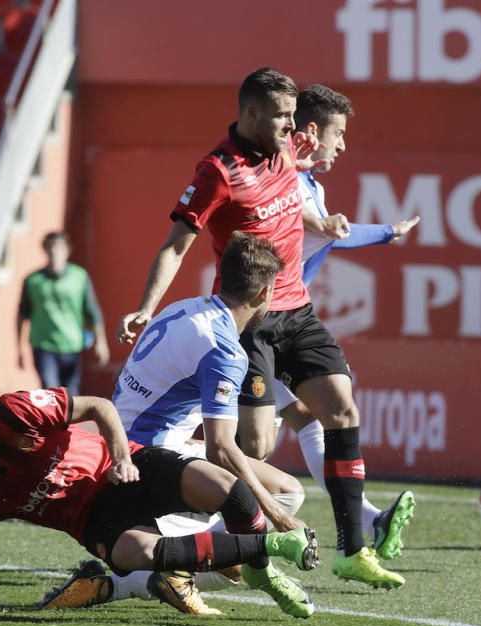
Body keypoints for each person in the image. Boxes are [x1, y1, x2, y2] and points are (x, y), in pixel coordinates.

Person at [116, 67, 403, 589]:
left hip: (298, 310)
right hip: (252, 321)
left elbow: (297, 198)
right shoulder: (218, 171)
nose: (293, 126)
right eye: (282, 116)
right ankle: (196, 534)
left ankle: (352, 547)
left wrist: (328, 222)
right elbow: (175, 245)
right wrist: (145, 306)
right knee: (255, 446)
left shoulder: (287, 150)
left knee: (342, 409)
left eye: (294, 117)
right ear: (251, 114)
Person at [43, 233, 311, 615]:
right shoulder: (225, 350)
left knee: (286, 490)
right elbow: (222, 449)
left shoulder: (181, 308)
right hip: (145, 465)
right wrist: (277, 517)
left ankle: (161, 567)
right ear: (265, 293)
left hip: (123, 446)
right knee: (239, 557)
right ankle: (120, 584)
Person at [0, 385, 319, 620]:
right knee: (139, 553)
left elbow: (99, 406)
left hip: (125, 466)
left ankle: (262, 573)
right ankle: (273, 547)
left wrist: (121, 457)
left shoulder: (14, 412)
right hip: (94, 517)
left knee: (226, 486)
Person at [275, 83, 421, 561]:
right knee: (243, 441)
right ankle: (186, 532)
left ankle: (367, 522)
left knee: (306, 417)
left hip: (279, 324)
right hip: (255, 326)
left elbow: (330, 230)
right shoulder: (284, 180)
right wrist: (382, 231)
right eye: (338, 133)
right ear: (311, 131)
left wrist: (382, 232)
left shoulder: (308, 185)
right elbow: (325, 228)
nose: (343, 144)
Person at [17, 232, 109, 394]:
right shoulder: (33, 280)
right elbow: (22, 314)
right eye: (51, 247)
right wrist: (20, 348)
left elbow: (92, 311)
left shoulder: (80, 277)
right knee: (50, 390)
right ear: (45, 250)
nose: (55, 252)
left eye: (59, 248)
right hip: (43, 345)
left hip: (72, 344)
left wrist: (101, 342)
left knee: (71, 393)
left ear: (67, 251)